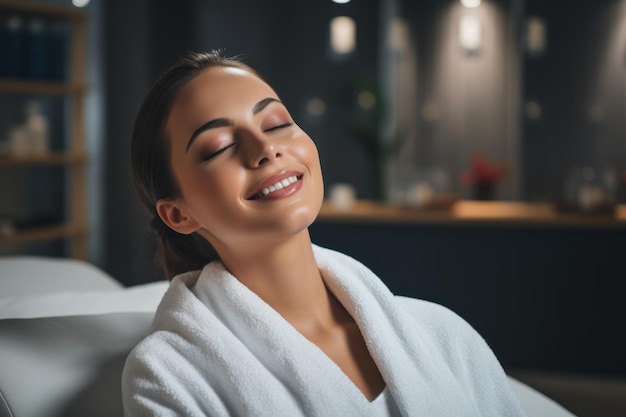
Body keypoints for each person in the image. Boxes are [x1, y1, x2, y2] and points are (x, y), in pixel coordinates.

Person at [122, 50, 528, 417]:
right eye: (219, 147)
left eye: (277, 123)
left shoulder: (443, 337)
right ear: (178, 214)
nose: (265, 148)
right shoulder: (169, 374)